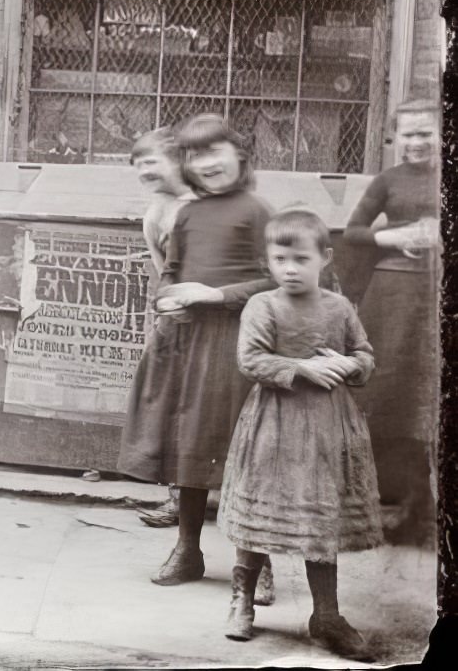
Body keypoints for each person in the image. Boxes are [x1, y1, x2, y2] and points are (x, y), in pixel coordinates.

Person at [117, 114, 274, 587]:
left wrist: (216, 296)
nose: (205, 163)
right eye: (194, 154)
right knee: (188, 445)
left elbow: (278, 278)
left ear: (240, 154)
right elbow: (172, 270)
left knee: (246, 453)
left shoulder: (256, 210)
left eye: (215, 151)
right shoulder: (185, 213)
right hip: (187, 343)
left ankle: (257, 564)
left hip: (239, 341)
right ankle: (188, 551)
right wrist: (167, 300)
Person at [217, 208, 381, 660]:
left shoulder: (339, 307)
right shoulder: (263, 305)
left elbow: (364, 353)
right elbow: (250, 360)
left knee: (321, 515)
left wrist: (351, 364)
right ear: (268, 261)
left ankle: (326, 614)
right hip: (275, 422)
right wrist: (302, 367)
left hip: (330, 425)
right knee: (260, 513)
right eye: (280, 259)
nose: (290, 269)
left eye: (301, 259)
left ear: (324, 258)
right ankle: (242, 601)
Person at [339, 99, 441, 541]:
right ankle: (388, 504)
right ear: (395, 138)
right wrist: (392, 235)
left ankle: (426, 510)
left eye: (426, 133)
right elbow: (353, 231)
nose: (417, 142)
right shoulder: (388, 180)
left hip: (437, 295)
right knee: (391, 393)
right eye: (409, 134)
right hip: (393, 296)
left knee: (430, 397)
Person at [128, 130, 190, 531]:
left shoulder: (203, 204)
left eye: (152, 161)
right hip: (177, 322)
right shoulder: (155, 214)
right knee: (170, 408)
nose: (143, 170)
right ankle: (180, 501)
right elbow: (162, 271)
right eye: (137, 164)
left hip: (218, 314)